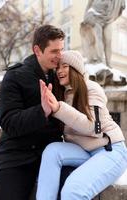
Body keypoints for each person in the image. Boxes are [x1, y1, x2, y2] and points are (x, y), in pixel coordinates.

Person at [36, 50, 127, 200]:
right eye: (58, 67)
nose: (60, 71)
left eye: (65, 66)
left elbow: (94, 128)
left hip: (110, 150)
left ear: (76, 69)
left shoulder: (91, 88)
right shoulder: (64, 94)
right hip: (85, 151)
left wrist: (59, 109)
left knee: (73, 191)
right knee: (52, 151)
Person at [0, 24, 65, 200]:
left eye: (61, 50)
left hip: (50, 157)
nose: (60, 56)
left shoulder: (61, 76)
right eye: (54, 51)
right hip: (16, 159)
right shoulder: (14, 76)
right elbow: (9, 122)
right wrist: (42, 111)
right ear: (37, 50)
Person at [80, 0, 125, 67]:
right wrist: (85, 17)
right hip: (94, 15)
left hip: (108, 16)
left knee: (108, 40)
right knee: (98, 38)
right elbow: (88, 5)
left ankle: (108, 63)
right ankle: (99, 59)